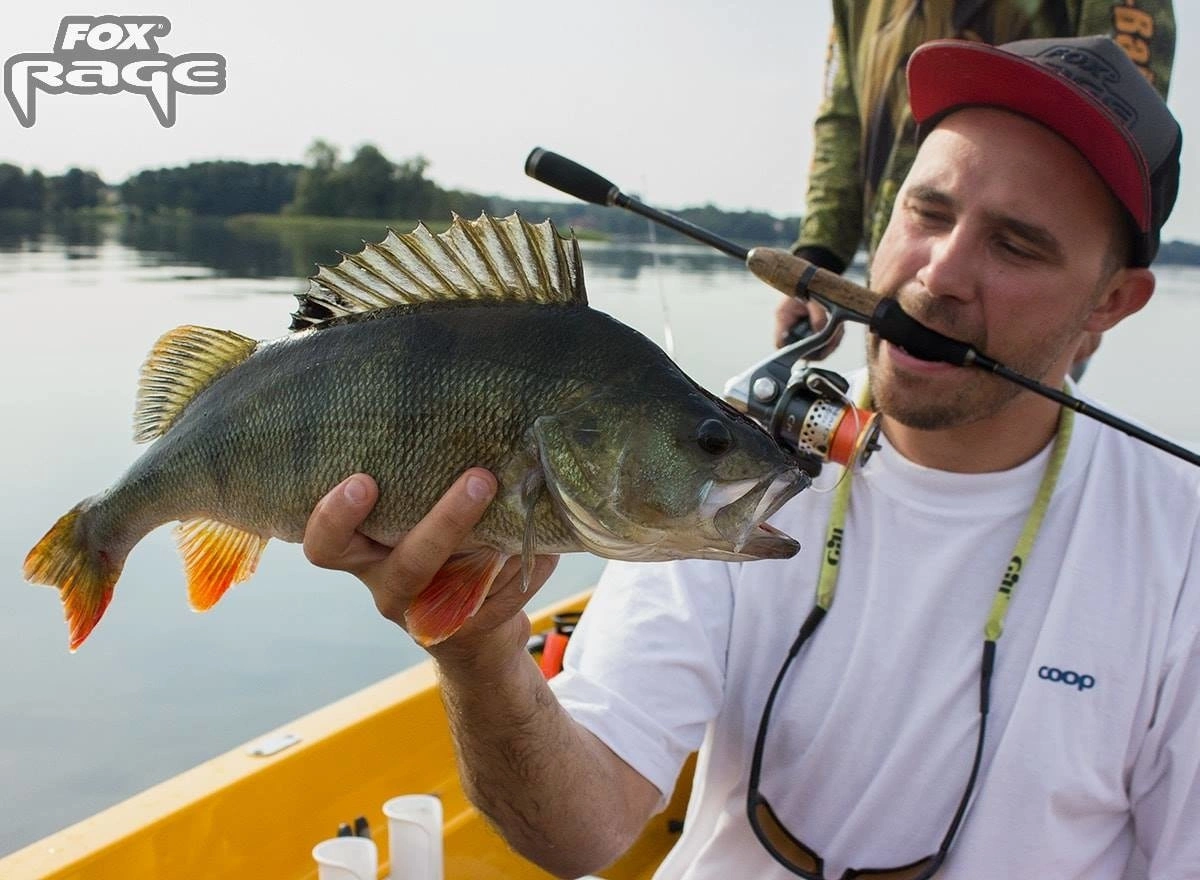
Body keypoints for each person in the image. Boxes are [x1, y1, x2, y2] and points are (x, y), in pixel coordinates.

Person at [303, 36, 1196, 880]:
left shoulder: (1178, 543)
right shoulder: (722, 459)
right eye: (927, 212)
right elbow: (582, 830)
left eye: (1016, 244)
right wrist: (481, 651)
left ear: (1112, 302)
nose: (939, 275)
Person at [776, 0, 1176, 368]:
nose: (941, 275)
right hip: (895, 267)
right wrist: (818, 259)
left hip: (1031, 312)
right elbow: (842, 121)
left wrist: (1089, 297)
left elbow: (1130, 108)